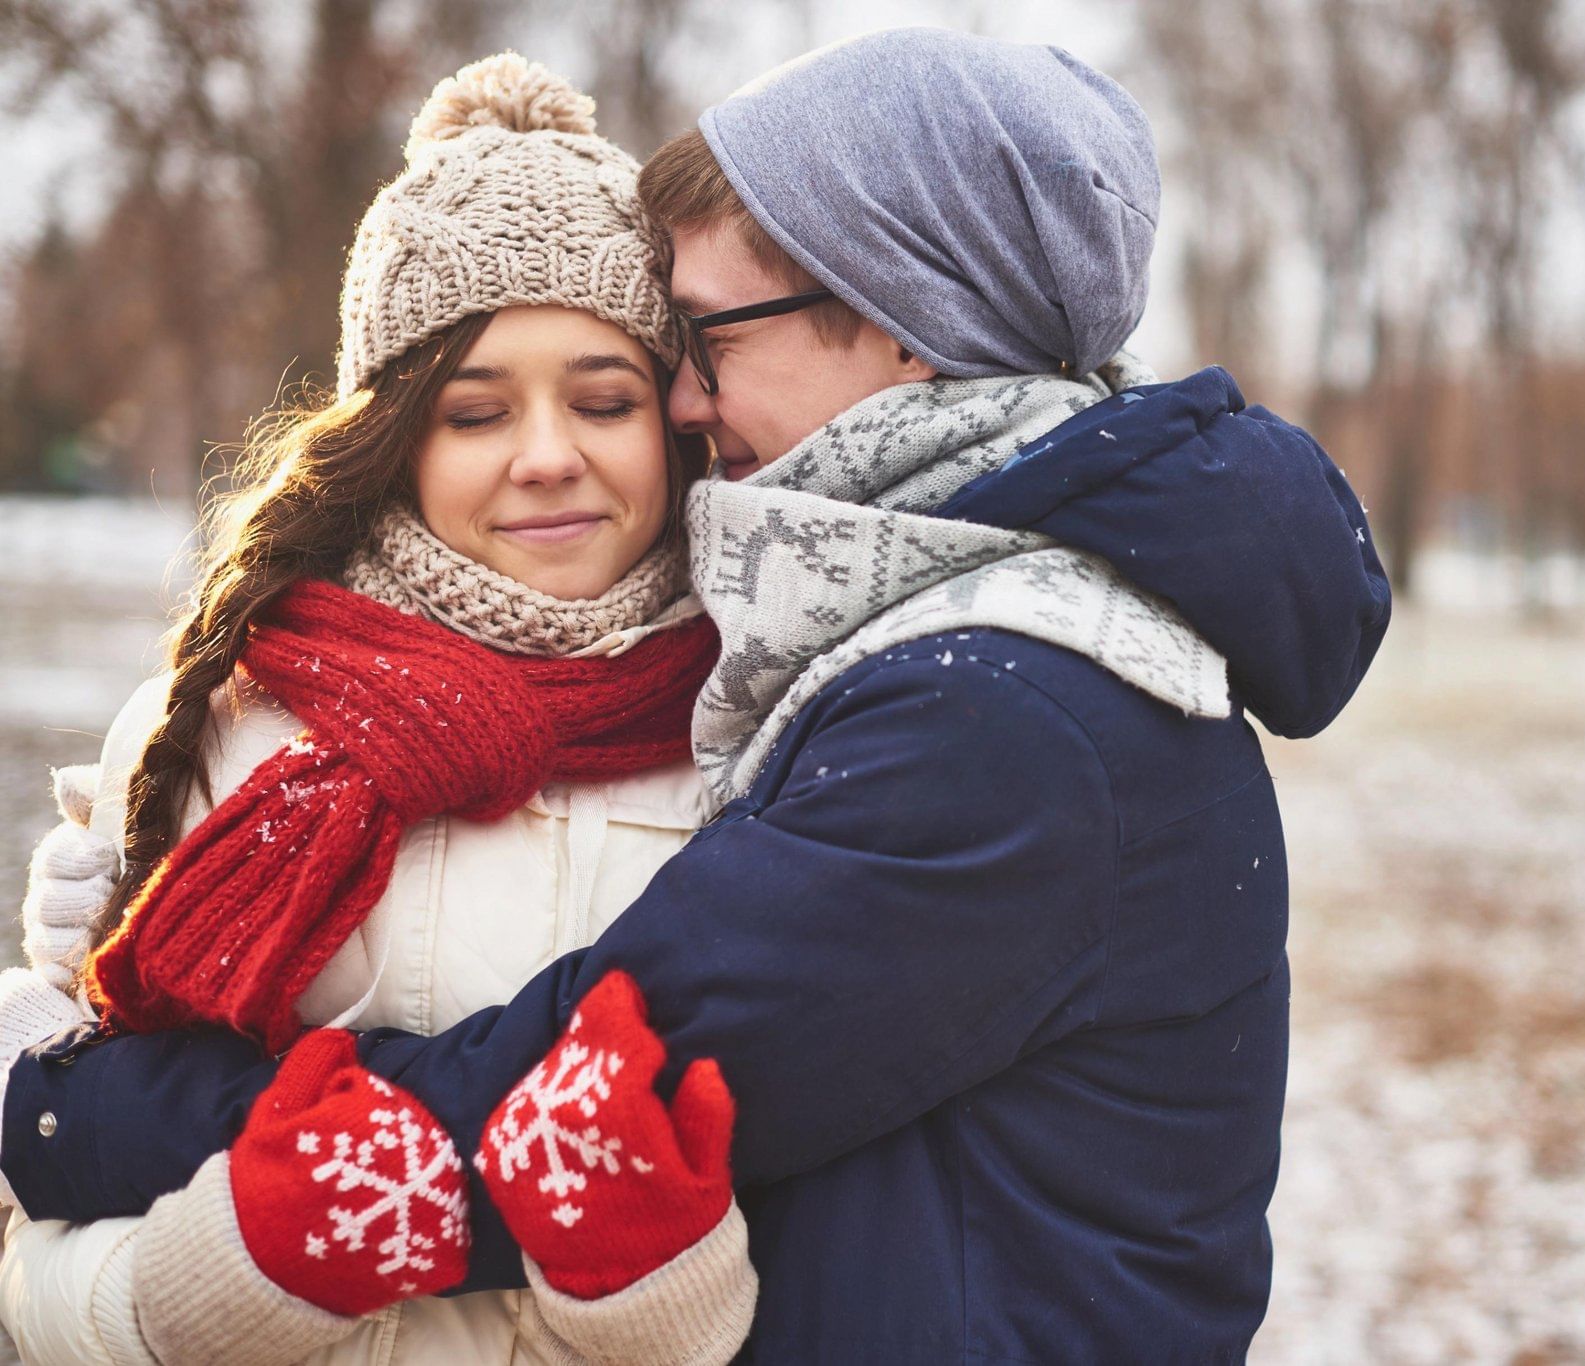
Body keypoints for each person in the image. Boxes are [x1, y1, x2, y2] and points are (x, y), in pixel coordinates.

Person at [4, 28, 1393, 1362]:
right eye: (476, 407)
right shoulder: (902, 641)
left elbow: (593, 1100)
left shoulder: (1002, 716)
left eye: (707, 339)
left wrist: (79, 1107)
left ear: (906, 325)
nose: (682, 400)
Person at [0, 54, 757, 1365]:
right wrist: (228, 1273)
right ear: (397, 435)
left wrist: (649, 1282)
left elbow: (796, 1247)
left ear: (674, 420)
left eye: (603, 398)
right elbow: (38, 1251)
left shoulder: (751, 737)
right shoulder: (224, 722)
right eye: (473, 410)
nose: (545, 453)